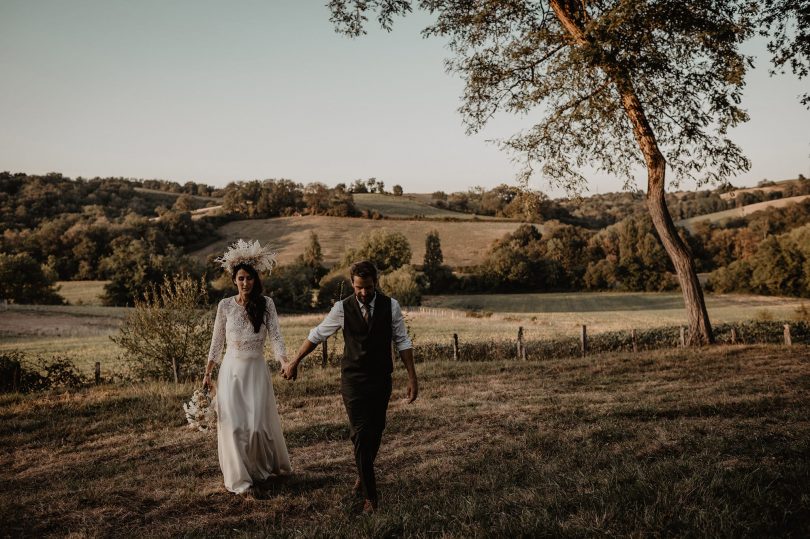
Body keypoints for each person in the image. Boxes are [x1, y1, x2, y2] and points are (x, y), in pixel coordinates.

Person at [282, 260, 418, 513]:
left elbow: (402, 341)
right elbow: (317, 334)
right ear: (353, 284)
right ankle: (370, 497)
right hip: (353, 380)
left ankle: (362, 472)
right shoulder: (342, 308)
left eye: (367, 287)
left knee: (376, 431)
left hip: (381, 379)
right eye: (358, 287)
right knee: (360, 433)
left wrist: (412, 378)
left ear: (375, 283)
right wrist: (294, 361)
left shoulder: (391, 306)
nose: (364, 293)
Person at [203, 239, 291, 497]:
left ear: (255, 279)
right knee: (233, 425)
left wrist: (283, 360)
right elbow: (216, 342)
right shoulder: (225, 306)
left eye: (249, 278)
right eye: (241, 278)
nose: (245, 283)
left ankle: (258, 470)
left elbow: (276, 337)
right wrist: (208, 372)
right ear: (234, 280)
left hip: (256, 372)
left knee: (256, 427)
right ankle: (239, 477)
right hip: (230, 372)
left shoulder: (267, 304)